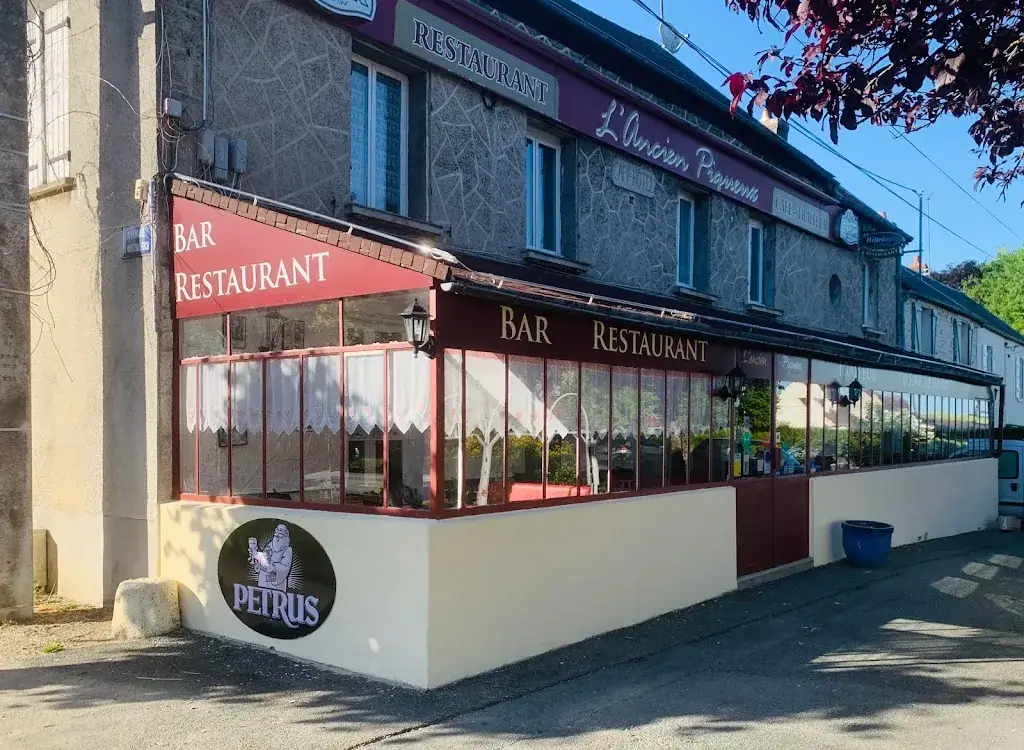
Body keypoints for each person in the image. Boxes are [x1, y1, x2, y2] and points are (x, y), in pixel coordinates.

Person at [251, 524, 293, 591]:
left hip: (277, 585)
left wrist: (272, 566)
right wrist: (256, 556)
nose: (278, 536)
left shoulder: (288, 550)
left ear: (285, 535)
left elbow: (285, 567)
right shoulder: (270, 545)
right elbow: (263, 559)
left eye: (280, 533)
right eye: (276, 534)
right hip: (263, 581)